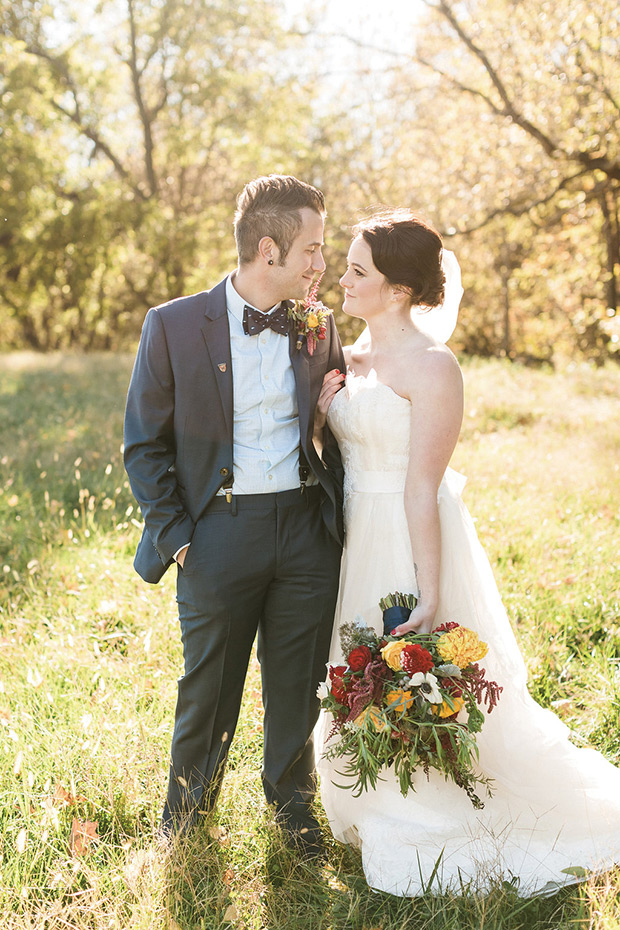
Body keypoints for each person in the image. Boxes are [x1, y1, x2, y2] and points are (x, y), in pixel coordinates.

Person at [314, 210, 620, 895]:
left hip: (406, 537)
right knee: (356, 667)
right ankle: (368, 789)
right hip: (351, 537)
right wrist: (320, 412)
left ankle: (429, 801)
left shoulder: (433, 367)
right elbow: (333, 459)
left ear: (396, 289)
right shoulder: (346, 357)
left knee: (409, 667)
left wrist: (428, 590)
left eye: (358, 270)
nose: (343, 277)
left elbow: (422, 489)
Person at [123, 175, 345, 857]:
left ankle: (294, 817)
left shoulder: (317, 321)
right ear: (270, 250)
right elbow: (143, 444)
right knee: (209, 687)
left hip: (305, 532)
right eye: (312, 248)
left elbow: (333, 428)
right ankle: (186, 822)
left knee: (297, 684)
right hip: (216, 533)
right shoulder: (172, 324)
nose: (321, 262)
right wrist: (182, 539)